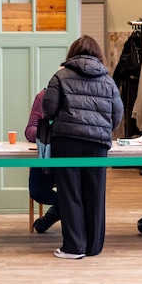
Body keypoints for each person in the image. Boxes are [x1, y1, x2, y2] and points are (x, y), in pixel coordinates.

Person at [43, 35, 123, 259]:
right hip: (98, 144)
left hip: (66, 141)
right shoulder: (108, 80)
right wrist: (103, 130)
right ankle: (94, 246)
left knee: (70, 193)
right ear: (98, 54)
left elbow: (48, 109)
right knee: (95, 193)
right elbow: (117, 114)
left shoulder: (61, 75)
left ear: (72, 53)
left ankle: (74, 247)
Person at [25, 89, 59, 233]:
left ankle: (54, 213)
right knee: (37, 191)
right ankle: (62, 209)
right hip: (47, 155)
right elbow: (30, 130)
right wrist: (47, 133)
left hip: (71, 155)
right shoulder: (44, 96)